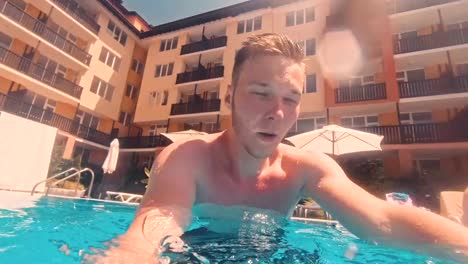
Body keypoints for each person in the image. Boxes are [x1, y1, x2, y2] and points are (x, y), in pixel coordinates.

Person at [91, 33, 468, 263]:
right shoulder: (187, 158)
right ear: (230, 96)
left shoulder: (305, 169)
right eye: (261, 94)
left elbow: (382, 221)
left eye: (291, 98)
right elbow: (151, 229)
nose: (277, 113)